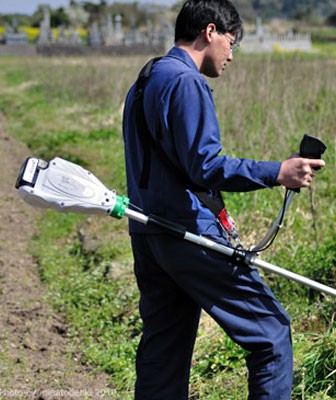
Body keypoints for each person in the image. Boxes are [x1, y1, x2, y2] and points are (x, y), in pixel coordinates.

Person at [122, 0, 325, 399]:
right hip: (187, 234)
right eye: (232, 43)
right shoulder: (186, 81)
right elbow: (206, 167)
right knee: (270, 335)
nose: (232, 55)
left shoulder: (145, 79)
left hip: (148, 233)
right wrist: (277, 171)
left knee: (163, 354)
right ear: (209, 32)